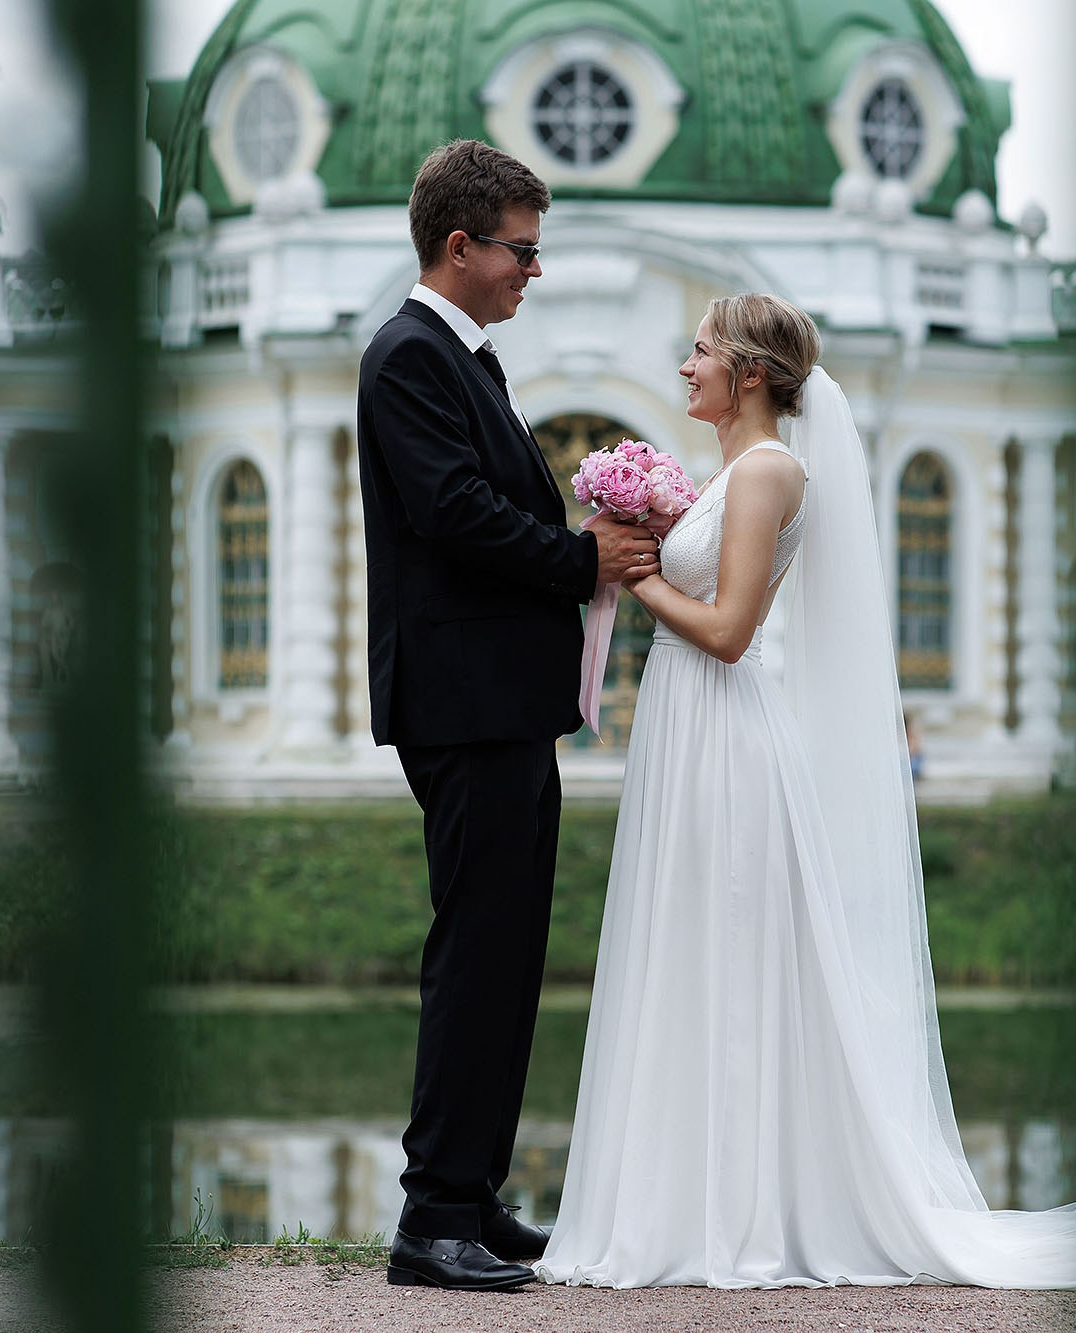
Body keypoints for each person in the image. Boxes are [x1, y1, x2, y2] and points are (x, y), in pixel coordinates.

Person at [534, 295, 1076, 1290]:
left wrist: (633, 577)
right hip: (686, 732)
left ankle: (745, 1210)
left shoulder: (766, 473)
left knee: (728, 954)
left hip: (722, 735)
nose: (683, 367)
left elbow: (727, 631)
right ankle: (679, 1201)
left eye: (701, 351)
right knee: (686, 952)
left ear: (748, 374)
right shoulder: (732, 474)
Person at [356, 139, 660, 1292]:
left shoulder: (466, 360)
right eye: (522, 250)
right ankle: (430, 1214)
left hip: (503, 703)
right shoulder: (407, 358)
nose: (534, 270)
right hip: (462, 702)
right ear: (458, 245)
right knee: (473, 953)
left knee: (508, 953)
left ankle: (473, 1194)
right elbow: (453, 514)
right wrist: (582, 557)